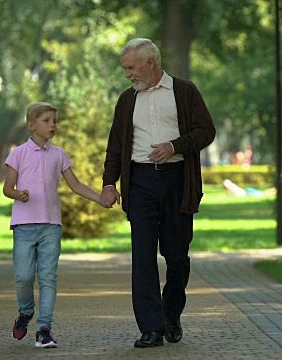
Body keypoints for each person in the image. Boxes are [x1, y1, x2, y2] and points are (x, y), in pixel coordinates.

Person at [99, 38, 216, 348]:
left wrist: (174, 146)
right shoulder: (126, 100)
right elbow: (116, 146)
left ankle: (171, 313)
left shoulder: (184, 91)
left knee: (177, 256)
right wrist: (109, 183)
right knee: (143, 257)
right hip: (139, 184)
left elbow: (207, 130)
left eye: (130, 67)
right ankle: (151, 328)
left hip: (177, 182)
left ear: (150, 63)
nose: (127, 74)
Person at [3, 102, 110, 348]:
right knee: (24, 277)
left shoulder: (58, 154)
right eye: (47, 120)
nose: (52, 125)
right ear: (31, 125)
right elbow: (7, 188)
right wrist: (18, 195)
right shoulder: (18, 154)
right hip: (24, 226)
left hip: (51, 225)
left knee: (48, 277)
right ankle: (26, 312)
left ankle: (44, 329)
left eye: (54, 121)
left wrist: (100, 198)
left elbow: (76, 185)